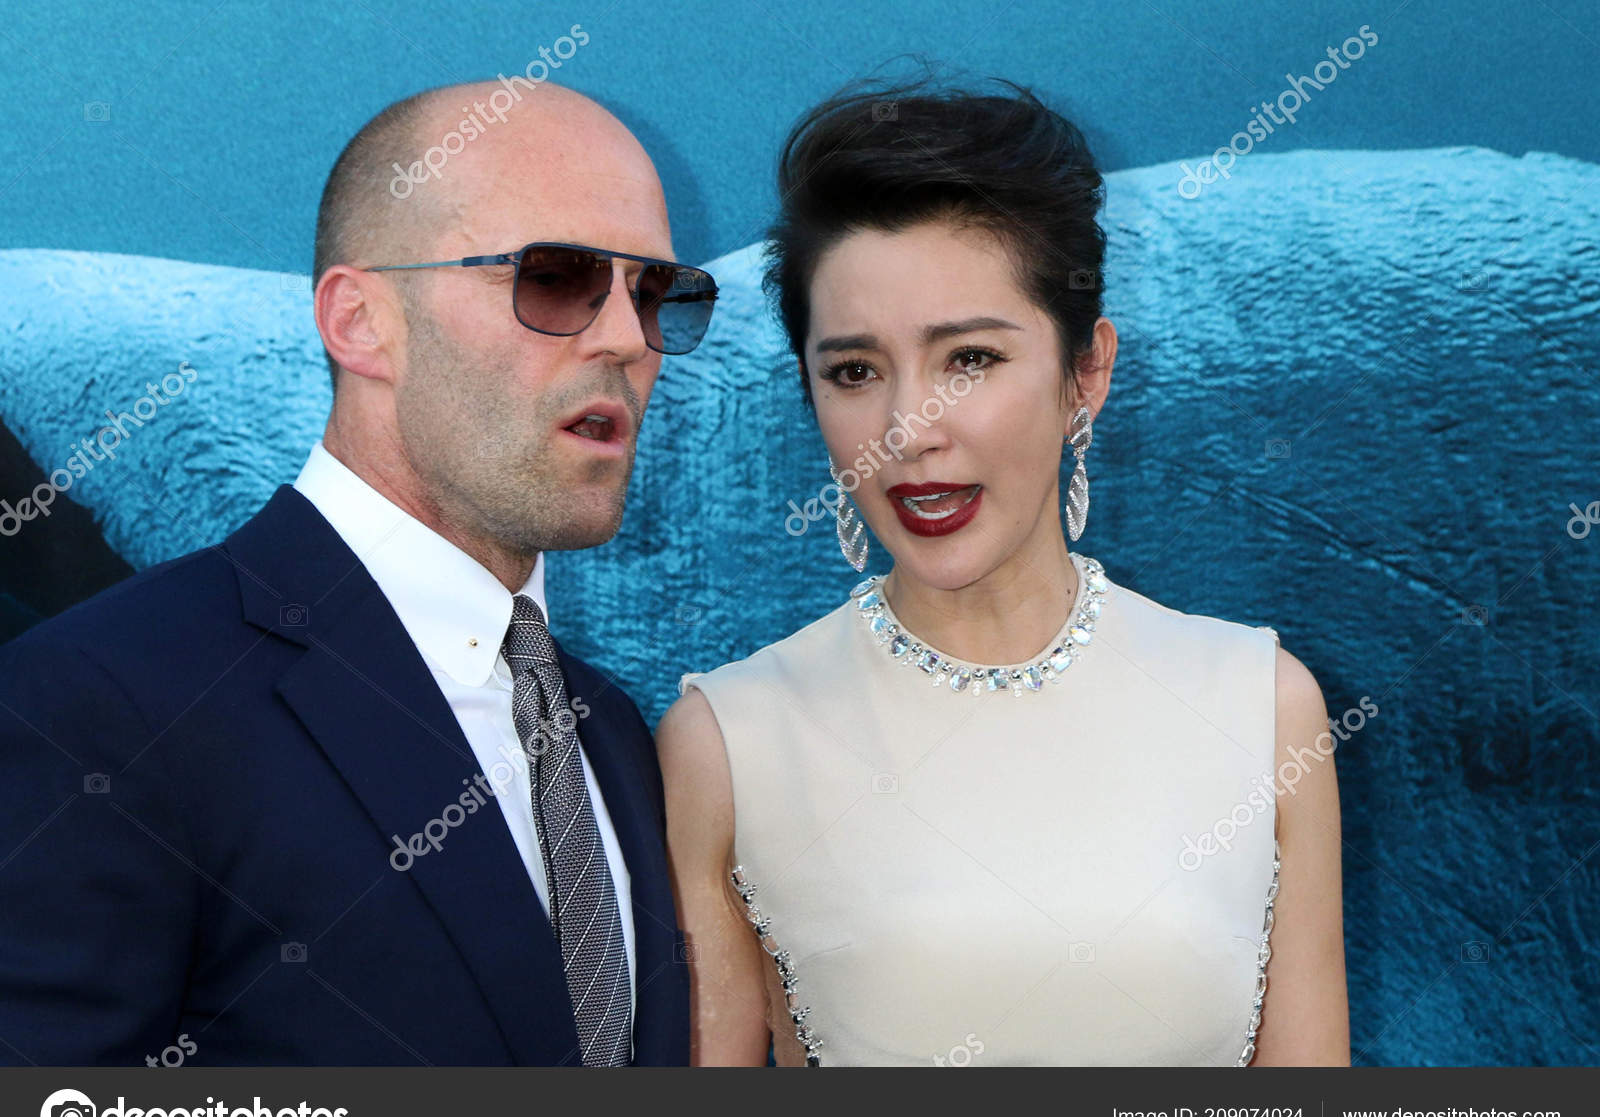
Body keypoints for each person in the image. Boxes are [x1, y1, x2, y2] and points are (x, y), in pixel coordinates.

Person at [0, 79, 717, 1066]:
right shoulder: (103, 702)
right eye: (556, 279)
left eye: (655, 294)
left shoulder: (610, 732)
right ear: (360, 321)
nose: (631, 341)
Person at [655, 80, 1349, 1066]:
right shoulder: (727, 742)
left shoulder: (1261, 707)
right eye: (854, 371)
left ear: (1085, 375)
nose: (908, 429)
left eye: (969, 358)